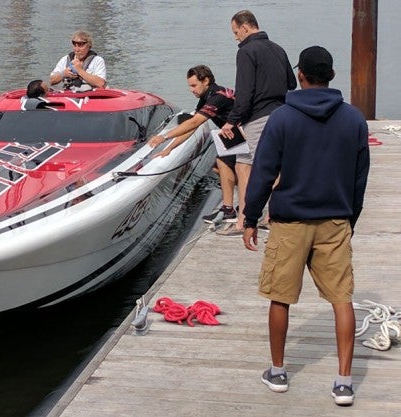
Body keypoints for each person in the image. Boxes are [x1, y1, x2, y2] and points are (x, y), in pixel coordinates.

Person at [241, 46, 370, 406]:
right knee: (342, 299)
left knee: (280, 297)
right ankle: (344, 383)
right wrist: (350, 218)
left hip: (290, 221)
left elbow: (264, 173)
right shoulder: (354, 119)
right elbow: (360, 179)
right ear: (331, 75)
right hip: (335, 220)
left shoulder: (281, 118)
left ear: (300, 74)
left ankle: (279, 373)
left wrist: (250, 217)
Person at [218, 10, 296, 236]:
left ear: (245, 27)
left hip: (258, 116)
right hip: (282, 115)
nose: (235, 38)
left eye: (235, 32)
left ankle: (242, 221)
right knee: (276, 166)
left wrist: (232, 121)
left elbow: (245, 92)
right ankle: (271, 216)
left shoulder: (246, 52)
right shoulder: (278, 49)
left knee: (244, 165)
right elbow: (291, 84)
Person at [148, 65, 237, 223]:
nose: (191, 90)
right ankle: (233, 206)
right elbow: (193, 126)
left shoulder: (217, 96)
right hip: (234, 133)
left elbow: (195, 122)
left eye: (194, 85)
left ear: (206, 81)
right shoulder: (206, 98)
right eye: (189, 86)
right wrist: (169, 149)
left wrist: (164, 137)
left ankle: (232, 208)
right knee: (220, 165)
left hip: (248, 131)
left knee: (225, 164)